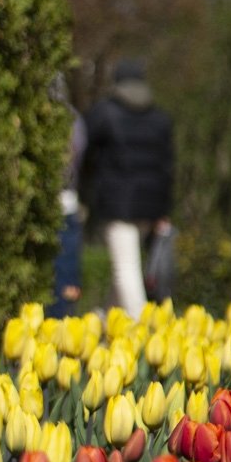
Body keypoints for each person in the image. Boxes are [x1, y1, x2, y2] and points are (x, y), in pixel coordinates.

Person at [81, 59, 175, 315]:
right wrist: (164, 209)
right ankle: (106, 331)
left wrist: (86, 195)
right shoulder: (159, 119)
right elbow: (167, 168)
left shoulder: (104, 112)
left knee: (125, 270)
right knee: (126, 269)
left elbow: (84, 153)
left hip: (116, 204)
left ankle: (141, 330)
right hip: (150, 206)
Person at [47, 75, 88, 318]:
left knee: (58, 275)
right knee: (66, 273)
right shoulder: (74, 120)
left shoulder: (52, 119)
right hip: (68, 199)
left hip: (57, 199)